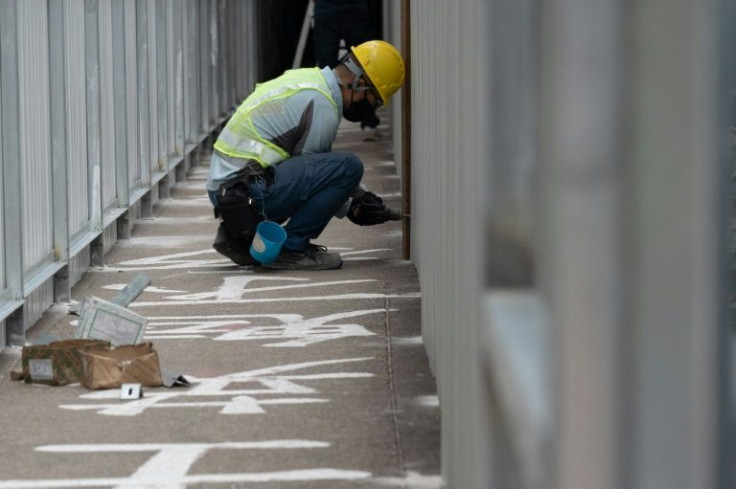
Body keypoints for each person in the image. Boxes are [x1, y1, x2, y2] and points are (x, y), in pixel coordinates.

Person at [206, 40, 405, 271]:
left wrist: (358, 196)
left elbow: (310, 170)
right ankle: (292, 248)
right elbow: (316, 179)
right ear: (360, 84)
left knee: (336, 171)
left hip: (227, 189)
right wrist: (353, 205)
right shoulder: (323, 106)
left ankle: (236, 235)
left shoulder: (310, 80)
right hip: (245, 190)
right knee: (349, 167)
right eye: (374, 101)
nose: (370, 109)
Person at [312, 0, 382, 140]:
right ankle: (367, 123)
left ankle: (322, 126)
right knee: (363, 64)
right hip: (347, 7)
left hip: (334, 8)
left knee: (327, 70)